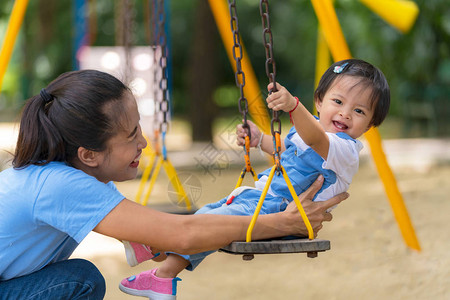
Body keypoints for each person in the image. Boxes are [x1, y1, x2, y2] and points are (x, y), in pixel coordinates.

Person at [0, 69, 345, 300]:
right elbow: (183, 235)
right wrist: (278, 223)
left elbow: (162, 238)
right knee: (81, 279)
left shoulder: (67, 174)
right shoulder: (61, 185)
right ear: (88, 154)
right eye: (132, 135)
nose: (144, 144)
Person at [118, 58, 390, 300]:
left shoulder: (344, 150)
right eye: (338, 102)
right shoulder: (312, 135)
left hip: (282, 210)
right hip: (261, 199)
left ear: (370, 125)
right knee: (206, 215)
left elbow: (315, 139)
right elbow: (287, 149)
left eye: (359, 111)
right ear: (320, 101)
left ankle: (162, 277)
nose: (345, 113)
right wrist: (260, 140)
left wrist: (294, 107)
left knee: (211, 225)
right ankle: (154, 245)